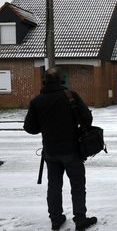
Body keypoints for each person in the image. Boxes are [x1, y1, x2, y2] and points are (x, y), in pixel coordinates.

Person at [23, 68, 97, 231]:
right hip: (72, 150)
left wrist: (45, 126)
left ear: (44, 81)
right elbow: (88, 119)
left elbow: (30, 128)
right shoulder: (70, 96)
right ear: (61, 80)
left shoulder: (37, 101)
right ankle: (80, 220)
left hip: (50, 152)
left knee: (54, 185)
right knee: (77, 185)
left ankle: (56, 219)